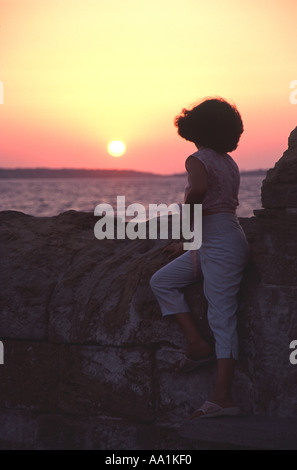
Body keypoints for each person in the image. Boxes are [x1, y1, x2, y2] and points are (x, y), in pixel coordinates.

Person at [150, 97, 250, 419]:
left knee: (222, 317)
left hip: (219, 243)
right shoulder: (229, 162)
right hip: (219, 238)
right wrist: (190, 242)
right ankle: (197, 344)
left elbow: (198, 192)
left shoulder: (196, 159)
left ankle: (223, 397)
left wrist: (186, 225)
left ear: (198, 128)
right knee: (162, 280)